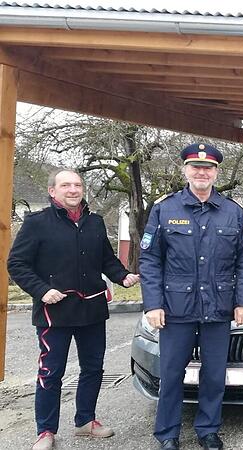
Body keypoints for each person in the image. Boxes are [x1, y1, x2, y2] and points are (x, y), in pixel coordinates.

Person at [8, 169, 140, 450]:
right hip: (53, 313)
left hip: (91, 309)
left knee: (93, 368)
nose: (72, 189)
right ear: (52, 191)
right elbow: (17, 264)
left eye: (77, 185)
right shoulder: (36, 223)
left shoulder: (95, 222)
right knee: (51, 373)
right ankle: (45, 431)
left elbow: (106, 259)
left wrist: (123, 276)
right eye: (65, 185)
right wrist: (42, 290)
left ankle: (85, 421)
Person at [139, 143, 243, 450]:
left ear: (216, 172)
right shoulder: (165, 209)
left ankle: (208, 430)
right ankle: (167, 435)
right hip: (176, 308)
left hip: (218, 307)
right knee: (172, 374)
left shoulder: (232, 211)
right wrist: (152, 304)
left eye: (208, 168)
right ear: (185, 171)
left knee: (214, 375)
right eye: (195, 167)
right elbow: (150, 260)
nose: (201, 173)